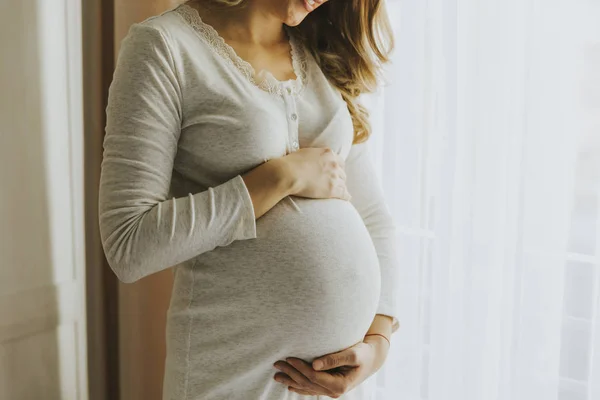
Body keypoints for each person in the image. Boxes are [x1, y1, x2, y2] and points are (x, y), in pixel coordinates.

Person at [98, 0, 400, 398]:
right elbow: (128, 244)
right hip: (232, 375)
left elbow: (373, 215)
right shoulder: (166, 47)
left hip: (331, 385)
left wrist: (378, 341)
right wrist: (278, 178)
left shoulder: (320, 49)